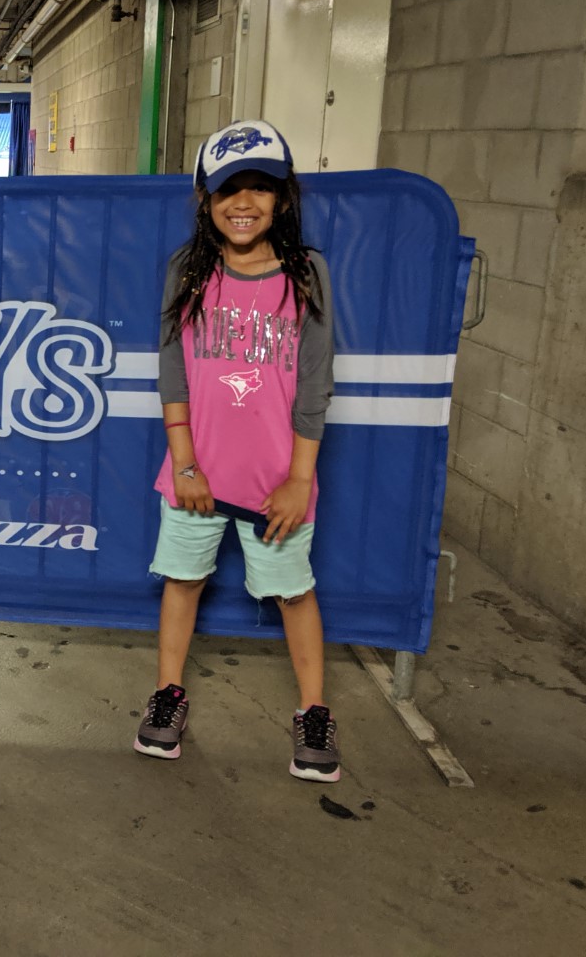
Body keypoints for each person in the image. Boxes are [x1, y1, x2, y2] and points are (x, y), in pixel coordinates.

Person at [134, 119, 338, 784]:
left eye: (260, 188)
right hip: (196, 477)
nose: (243, 203)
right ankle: (168, 695)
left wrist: (298, 480)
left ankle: (313, 711)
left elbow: (315, 381)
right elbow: (172, 370)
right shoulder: (185, 272)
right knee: (183, 582)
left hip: (275, 483)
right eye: (228, 190)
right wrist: (186, 463)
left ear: (282, 197)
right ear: (203, 197)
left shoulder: (307, 274)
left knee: (293, 592)